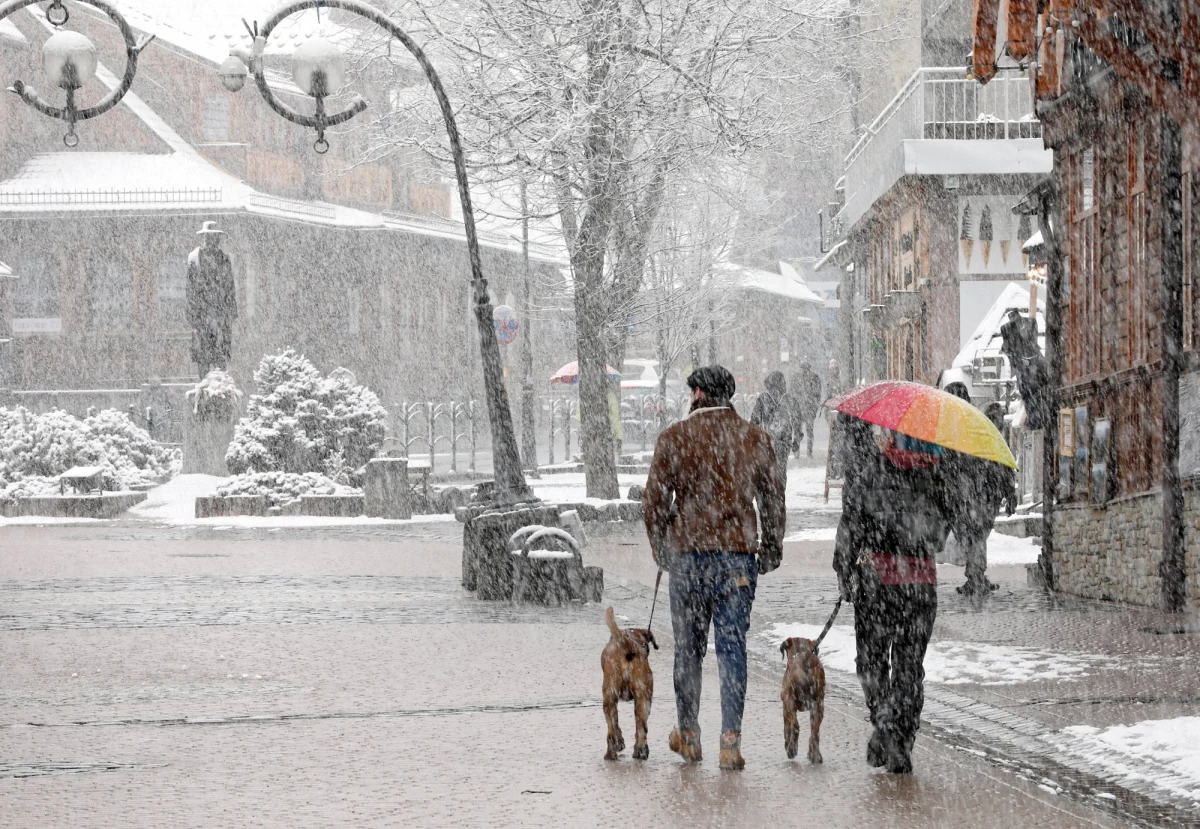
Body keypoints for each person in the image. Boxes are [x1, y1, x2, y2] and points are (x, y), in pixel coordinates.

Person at [643, 365, 786, 771]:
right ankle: (730, 742)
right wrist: (771, 547)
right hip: (738, 558)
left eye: (692, 392)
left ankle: (689, 736)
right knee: (731, 648)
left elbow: (653, 501)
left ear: (700, 393)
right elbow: (773, 498)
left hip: (688, 557)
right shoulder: (754, 438)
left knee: (688, 650)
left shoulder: (674, 438)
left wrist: (660, 546)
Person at [833, 415, 958, 774]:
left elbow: (851, 522)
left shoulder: (873, 470)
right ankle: (902, 738)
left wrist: (844, 569)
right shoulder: (938, 475)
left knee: (871, 661)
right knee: (909, 666)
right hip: (920, 584)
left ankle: (884, 718)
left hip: (878, 583)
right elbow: (940, 534)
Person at [187, 221, 238, 375]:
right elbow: (190, 289)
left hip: (221, 315)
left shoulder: (224, 259)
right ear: (204, 238)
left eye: (214, 237)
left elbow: (230, 287)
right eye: (208, 237)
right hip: (202, 315)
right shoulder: (194, 258)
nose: (211, 240)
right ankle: (203, 390)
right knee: (203, 358)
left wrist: (229, 315)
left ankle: (221, 390)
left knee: (220, 358)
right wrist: (193, 316)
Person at [750, 370, 800, 484]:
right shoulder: (789, 399)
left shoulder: (763, 399)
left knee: (767, 471)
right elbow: (797, 420)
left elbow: (754, 420)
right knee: (781, 470)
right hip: (783, 441)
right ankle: (780, 495)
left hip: (767, 441)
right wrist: (796, 439)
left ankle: (771, 495)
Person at [791, 362, 823, 457]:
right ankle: (799, 451)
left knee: (807, 431)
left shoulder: (813, 378)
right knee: (798, 432)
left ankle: (808, 451)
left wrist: (814, 406)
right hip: (800, 409)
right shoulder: (797, 378)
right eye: (803, 368)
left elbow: (817, 394)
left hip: (808, 409)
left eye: (805, 368)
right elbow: (792, 393)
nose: (804, 370)